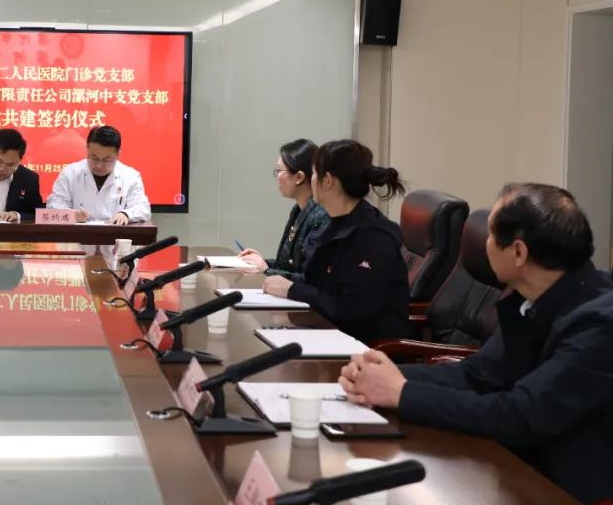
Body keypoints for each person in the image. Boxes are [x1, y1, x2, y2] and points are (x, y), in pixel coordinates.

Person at [338, 184, 613, 504]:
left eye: (492, 236)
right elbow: (477, 375)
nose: (484, 244)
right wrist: (382, 376)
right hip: (511, 467)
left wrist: (401, 393)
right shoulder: (531, 299)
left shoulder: (599, 326)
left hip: (563, 489)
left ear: (519, 253)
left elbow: (521, 415)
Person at [262, 139, 409, 343]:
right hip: (324, 331)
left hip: (364, 348)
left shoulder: (373, 237)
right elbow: (315, 281)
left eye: (314, 173)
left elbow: (353, 312)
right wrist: (283, 281)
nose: (311, 179)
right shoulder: (333, 223)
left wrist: (292, 289)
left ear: (328, 181)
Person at [239, 139, 329, 280]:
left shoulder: (321, 216)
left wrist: (266, 270)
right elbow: (288, 266)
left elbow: (310, 278)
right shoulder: (298, 210)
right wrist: (261, 262)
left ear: (299, 177)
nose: (277, 177)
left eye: (279, 170)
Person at [47, 125, 150, 225]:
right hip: (78, 235)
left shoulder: (131, 177)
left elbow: (143, 208)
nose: (99, 165)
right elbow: (53, 205)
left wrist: (126, 214)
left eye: (106, 160)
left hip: (115, 235)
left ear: (118, 154)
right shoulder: (70, 173)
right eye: (94, 158)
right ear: (87, 149)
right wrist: (72, 215)